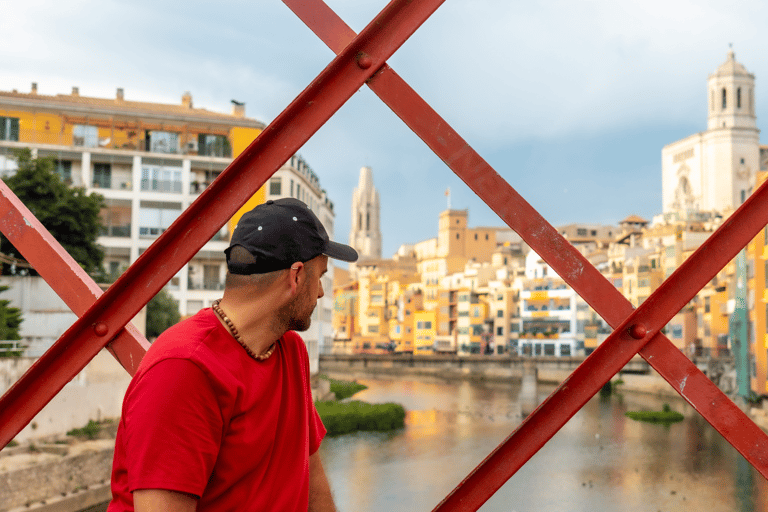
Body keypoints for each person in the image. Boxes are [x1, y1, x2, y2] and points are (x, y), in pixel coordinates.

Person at [108, 198, 358, 511]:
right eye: (319, 276)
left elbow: (312, 475)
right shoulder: (183, 370)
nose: (321, 292)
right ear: (295, 277)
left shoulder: (290, 350)